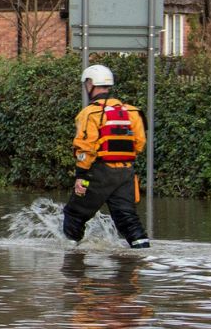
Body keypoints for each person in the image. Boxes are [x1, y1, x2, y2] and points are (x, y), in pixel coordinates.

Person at [63, 65, 150, 248]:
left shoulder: (89, 113)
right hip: (126, 174)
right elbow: (140, 144)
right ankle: (142, 256)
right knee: (128, 219)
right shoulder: (133, 112)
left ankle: (71, 258)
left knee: (74, 214)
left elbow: (85, 148)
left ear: (91, 84)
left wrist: (80, 177)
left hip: (96, 173)